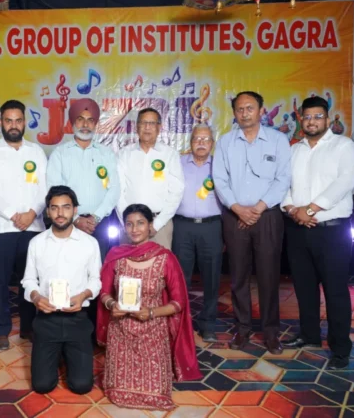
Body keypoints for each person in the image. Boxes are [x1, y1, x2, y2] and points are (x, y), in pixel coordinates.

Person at [281, 96, 354, 370]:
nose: (312, 121)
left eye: (317, 116)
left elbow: (344, 182)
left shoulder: (343, 146)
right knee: (304, 288)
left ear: (327, 119)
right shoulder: (294, 150)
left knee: (335, 290)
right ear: (301, 120)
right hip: (297, 228)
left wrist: (310, 209)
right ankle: (309, 335)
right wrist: (293, 209)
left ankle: (340, 348)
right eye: (307, 117)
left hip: (331, 231)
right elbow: (284, 185)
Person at [97, 204, 202, 411]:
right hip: (121, 329)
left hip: (153, 330)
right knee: (117, 394)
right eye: (129, 224)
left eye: (140, 223)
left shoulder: (165, 257)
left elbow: (179, 302)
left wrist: (152, 312)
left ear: (150, 225)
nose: (134, 229)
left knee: (157, 396)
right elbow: (104, 292)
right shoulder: (116, 255)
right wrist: (112, 304)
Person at [212, 91, 291, 355]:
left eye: (250, 108)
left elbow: (283, 178)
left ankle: (271, 332)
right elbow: (220, 180)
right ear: (234, 113)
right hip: (234, 215)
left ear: (261, 111)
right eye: (240, 109)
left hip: (266, 215)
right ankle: (242, 329)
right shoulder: (225, 142)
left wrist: (257, 209)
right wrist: (237, 209)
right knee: (238, 276)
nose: (244, 113)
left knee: (269, 276)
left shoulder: (278, 141)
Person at [0, 100, 48, 350]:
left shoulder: (36, 151)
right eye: (9, 121)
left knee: (29, 280)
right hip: (1, 228)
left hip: (33, 227)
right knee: (0, 281)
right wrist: (13, 215)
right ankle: (1, 331)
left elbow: (45, 188)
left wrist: (32, 213)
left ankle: (28, 327)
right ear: (1, 122)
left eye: (18, 120)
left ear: (24, 122)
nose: (14, 125)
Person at [21, 186, 101, 394]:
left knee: (81, 386)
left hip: (78, 320)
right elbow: (28, 280)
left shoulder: (90, 243)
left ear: (75, 210)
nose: (60, 213)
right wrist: (36, 297)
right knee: (42, 386)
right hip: (47, 320)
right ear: (48, 211)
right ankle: (56, 353)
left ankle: (67, 354)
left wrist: (84, 295)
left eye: (66, 207)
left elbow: (96, 280)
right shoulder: (37, 243)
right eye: (54, 208)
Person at [46, 98, 120, 261]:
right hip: (67, 223)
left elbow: (114, 189)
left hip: (100, 225)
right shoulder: (60, 154)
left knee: (98, 270)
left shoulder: (106, 153)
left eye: (90, 120)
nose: (85, 125)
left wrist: (96, 217)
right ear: (73, 122)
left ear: (95, 125)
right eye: (80, 119)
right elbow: (53, 191)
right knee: (68, 267)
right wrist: (75, 219)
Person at [172, 124, 223, 343]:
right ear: (190, 142)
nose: (201, 143)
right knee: (180, 278)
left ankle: (208, 324)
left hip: (211, 226)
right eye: (197, 139)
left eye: (206, 139)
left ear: (212, 143)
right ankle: (182, 323)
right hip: (182, 226)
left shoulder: (220, 165)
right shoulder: (178, 163)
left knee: (211, 277)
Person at [116, 108, 184, 249]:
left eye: (152, 123)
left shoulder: (170, 154)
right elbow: (118, 191)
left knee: (159, 263)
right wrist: (128, 223)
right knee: (128, 263)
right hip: (129, 226)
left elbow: (176, 192)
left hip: (160, 225)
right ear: (137, 126)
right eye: (143, 123)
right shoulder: (124, 154)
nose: (147, 127)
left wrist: (157, 224)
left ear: (159, 127)